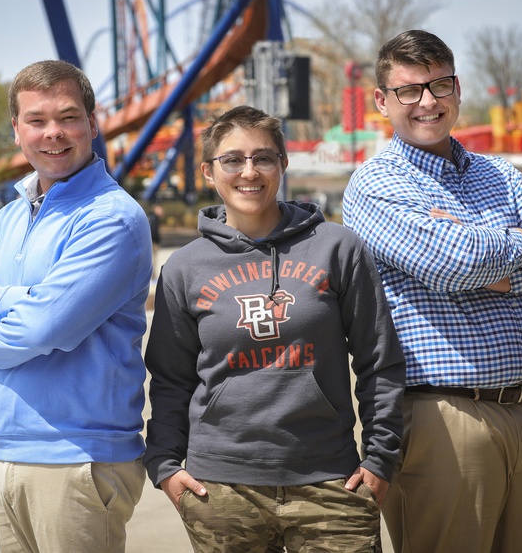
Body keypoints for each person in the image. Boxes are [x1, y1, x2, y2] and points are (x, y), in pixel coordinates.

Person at [342, 30, 522, 553]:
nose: (428, 102)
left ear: (458, 88)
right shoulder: (376, 184)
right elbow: (456, 264)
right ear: (382, 102)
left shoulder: (500, 173)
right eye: (409, 90)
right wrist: (517, 238)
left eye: (440, 84)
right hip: (444, 418)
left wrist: (483, 248)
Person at [143, 105, 406, 552]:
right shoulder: (185, 268)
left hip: (331, 482)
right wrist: (166, 465)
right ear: (208, 172)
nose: (250, 171)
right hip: (221, 490)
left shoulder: (337, 248)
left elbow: (379, 360)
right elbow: (170, 379)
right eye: (233, 160)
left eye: (263, 158)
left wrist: (381, 461)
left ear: (283, 165)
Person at [0, 60, 152, 553]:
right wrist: (18, 298)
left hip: (79, 458)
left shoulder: (111, 219)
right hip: (8, 451)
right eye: (36, 120)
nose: (53, 133)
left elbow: (41, 330)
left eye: (68, 117)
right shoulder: (9, 216)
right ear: (16, 131)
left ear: (93, 124)